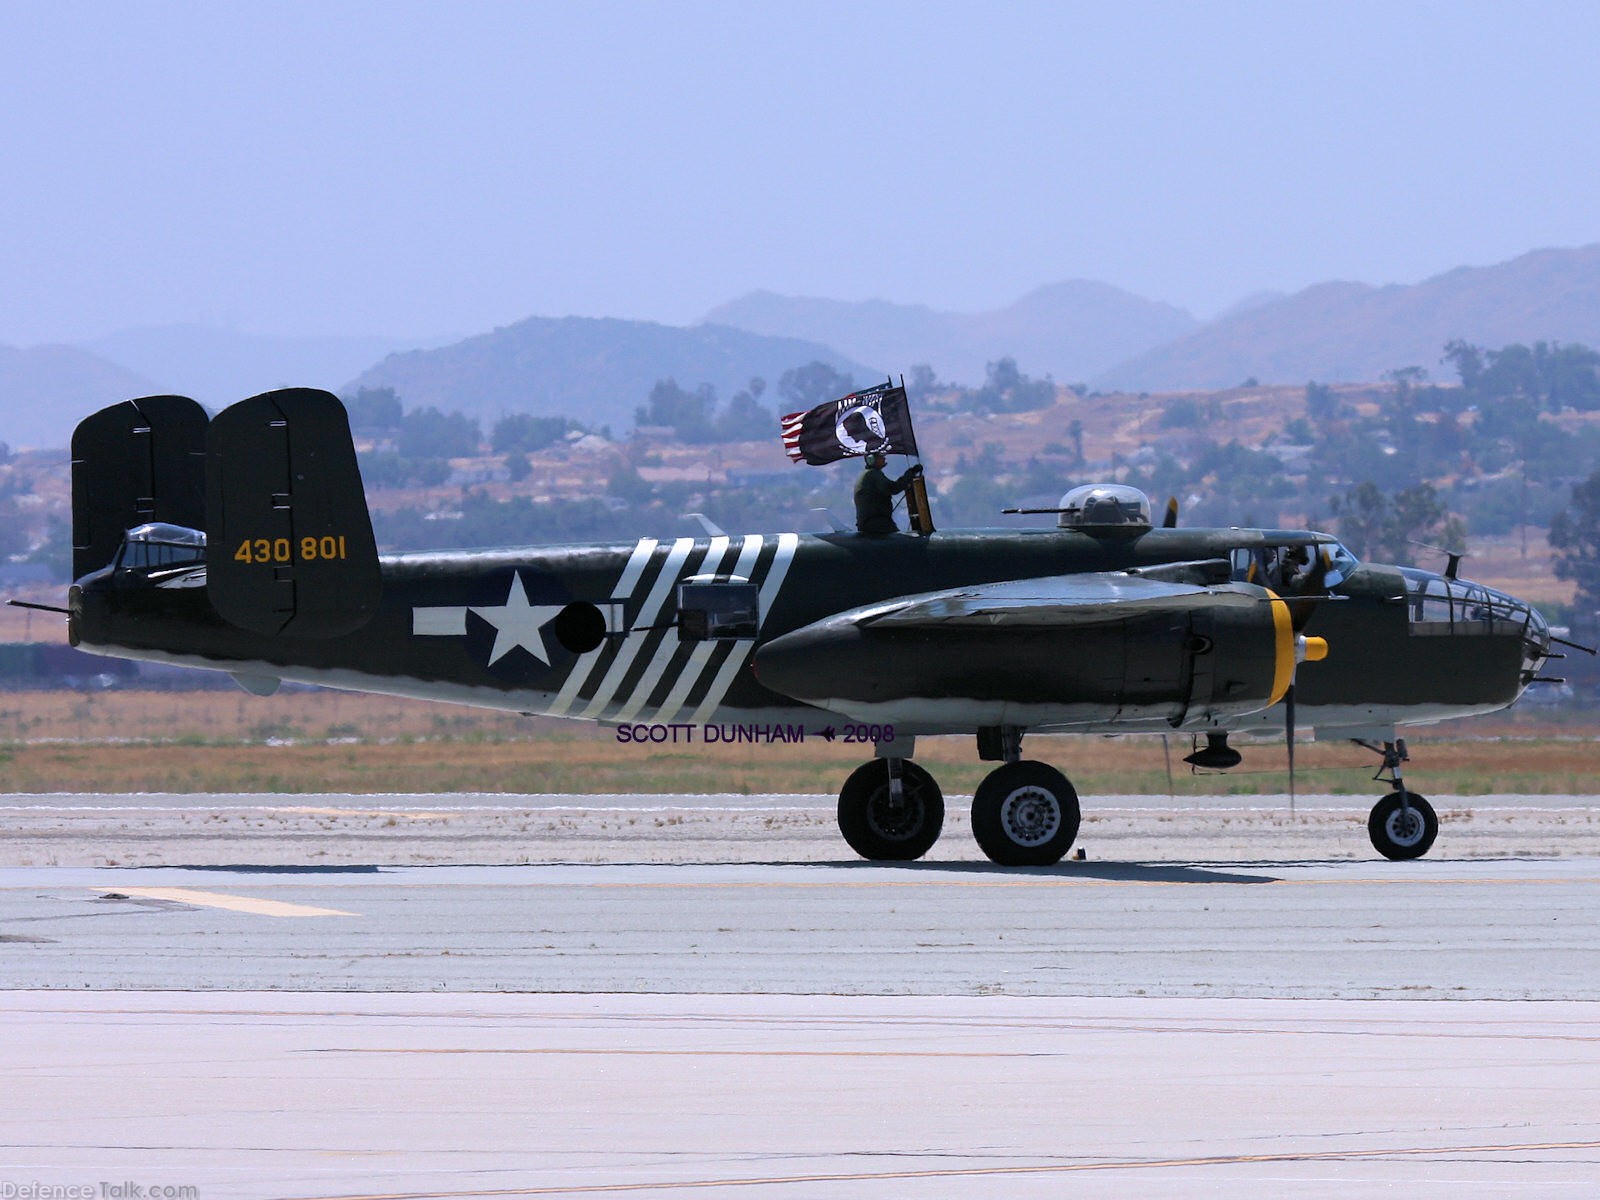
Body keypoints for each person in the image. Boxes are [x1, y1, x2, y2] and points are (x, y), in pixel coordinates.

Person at [854, 452, 920, 535]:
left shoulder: (868, 474)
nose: (884, 459)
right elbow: (893, 488)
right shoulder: (873, 474)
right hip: (877, 524)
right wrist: (910, 474)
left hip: (870, 523)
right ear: (872, 460)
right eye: (881, 457)